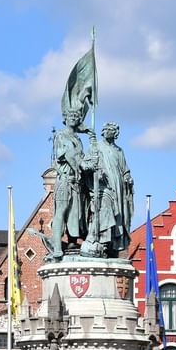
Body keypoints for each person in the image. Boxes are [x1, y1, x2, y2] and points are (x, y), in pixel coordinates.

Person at [81, 121, 134, 257]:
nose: (110, 132)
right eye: (108, 129)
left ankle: (116, 245)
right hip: (102, 186)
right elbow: (86, 164)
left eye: (113, 130)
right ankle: (100, 241)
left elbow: (125, 169)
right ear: (103, 131)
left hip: (118, 187)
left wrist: (128, 177)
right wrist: (92, 170)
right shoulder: (96, 147)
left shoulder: (119, 151)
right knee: (105, 210)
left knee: (119, 216)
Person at [52, 108, 89, 259]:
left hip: (76, 182)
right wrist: (82, 165)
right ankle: (56, 246)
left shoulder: (78, 139)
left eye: (76, 116)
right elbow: (68, 154)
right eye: (70, 115)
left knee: (75, 214)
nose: (74, 118)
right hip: (65, 180)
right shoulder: (61, 135)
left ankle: (72, 240)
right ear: (65, 119)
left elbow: (81, 157)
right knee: (61, 211)